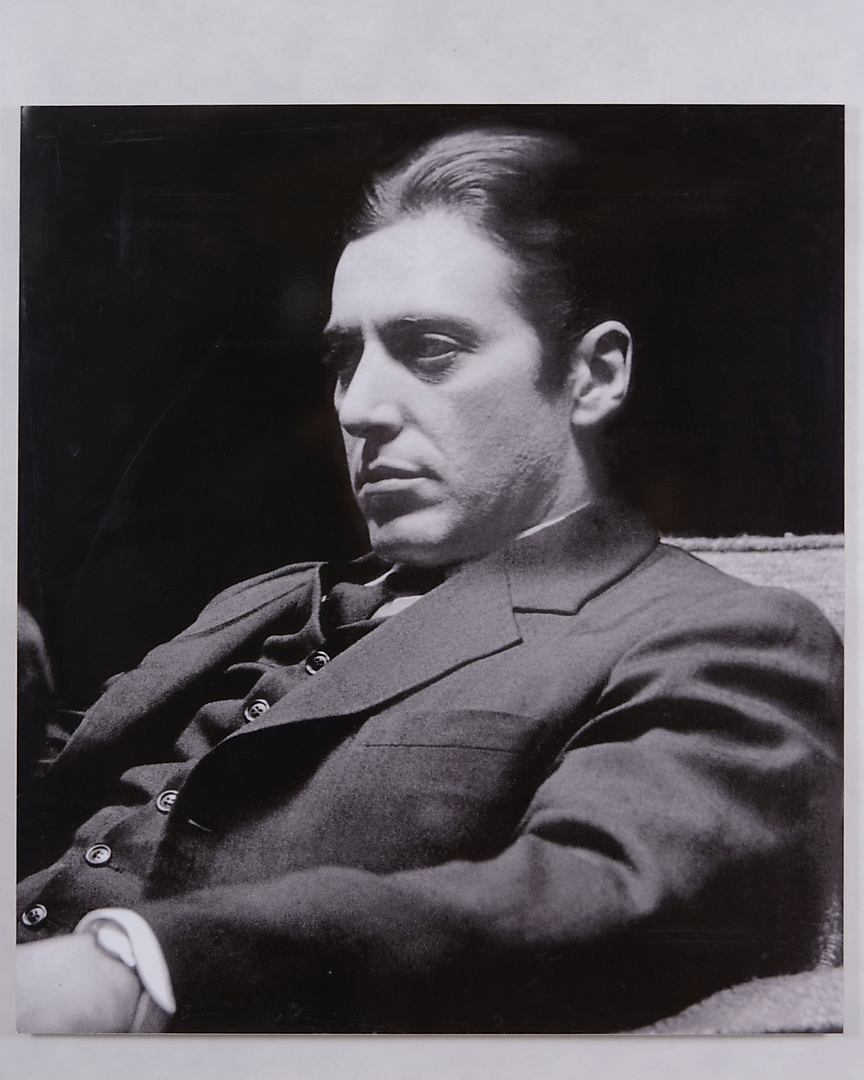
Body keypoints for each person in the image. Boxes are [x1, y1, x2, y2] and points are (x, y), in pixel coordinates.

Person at [16, 128, 842, 1034]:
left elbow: (598, 892)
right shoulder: (265, 598)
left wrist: (143, 969)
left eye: (431, 348)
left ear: (593, 375)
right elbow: (86, 790)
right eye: (345, 359)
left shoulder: (721, 635)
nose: (360, 407)